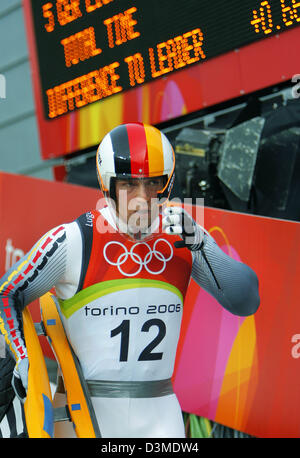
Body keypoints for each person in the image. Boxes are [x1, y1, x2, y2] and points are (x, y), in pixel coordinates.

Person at [0, 122, 260, 438]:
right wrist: (24, 359)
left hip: (162, 412)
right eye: (128, 185)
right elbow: (7, 293)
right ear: (106, 184)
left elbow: (246, 301)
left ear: (169, 182)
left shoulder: (183, 233)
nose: (142, 198)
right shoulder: (74, 239)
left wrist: (203, 246)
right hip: (85, 413)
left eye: (153, 184)